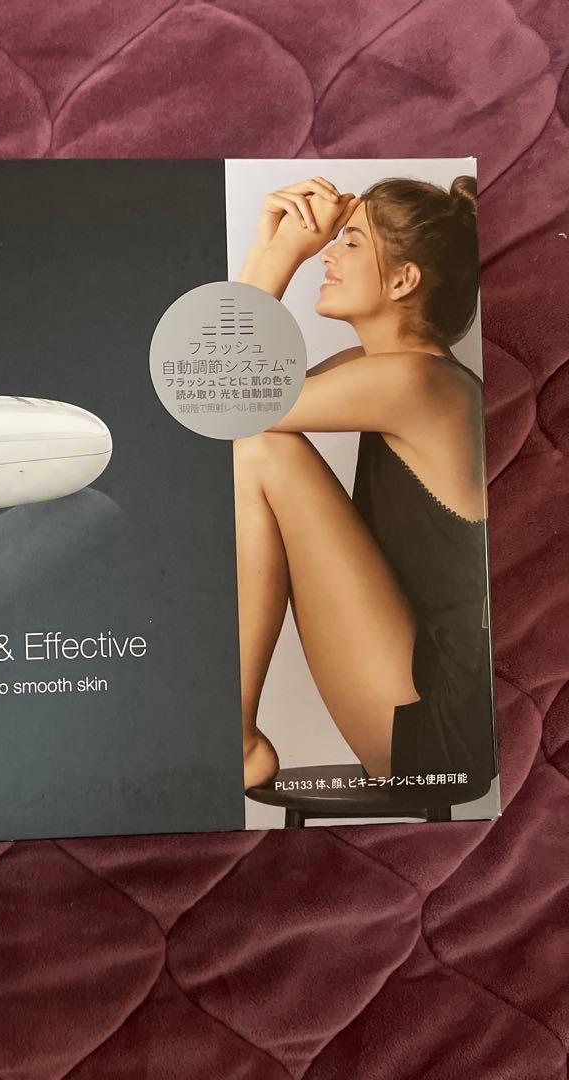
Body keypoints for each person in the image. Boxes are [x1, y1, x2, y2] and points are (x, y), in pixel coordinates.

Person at [235, 174, 496, 800]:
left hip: (437, 722)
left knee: (263, 447)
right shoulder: (387, 371)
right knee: (259, 440)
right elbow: (225, 387)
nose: (326, 252)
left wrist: (281, 253)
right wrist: (266, 246)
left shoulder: (414, 383)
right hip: (426, 691)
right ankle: (234, 737)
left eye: (350, 242)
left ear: (404, 281)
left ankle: (234, 740)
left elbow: (230, 402)